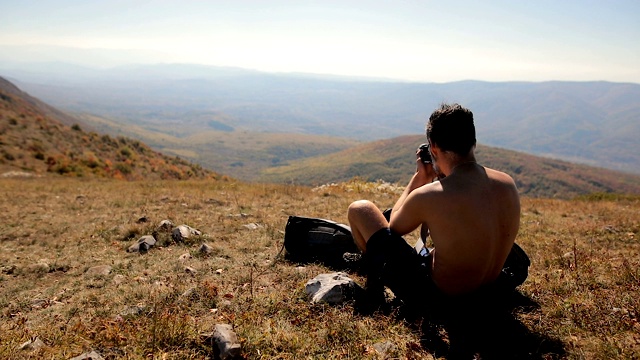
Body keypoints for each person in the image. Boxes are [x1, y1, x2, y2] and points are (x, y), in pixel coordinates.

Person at [347, 103, 521, 310]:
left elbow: (393, 226)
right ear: (473, 142)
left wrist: (420, 177)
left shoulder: (430, 195)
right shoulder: (507, 182)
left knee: (360, 208)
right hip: (488, 289)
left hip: (440, 299)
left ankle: (373, 274)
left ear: (433, 146)